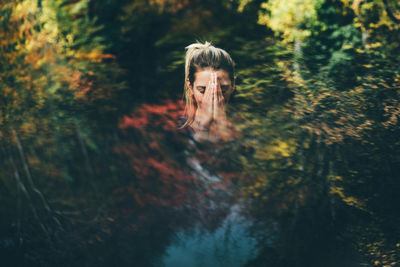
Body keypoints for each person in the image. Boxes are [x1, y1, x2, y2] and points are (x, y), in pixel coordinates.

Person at [181, 41, 236, 142]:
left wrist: (222, 126)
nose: (213, 96)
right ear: (190, 86)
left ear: (233, 84)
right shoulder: (175, 127)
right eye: (202, 90)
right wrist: (203, 126)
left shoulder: (246, 124)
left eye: (222, 90)